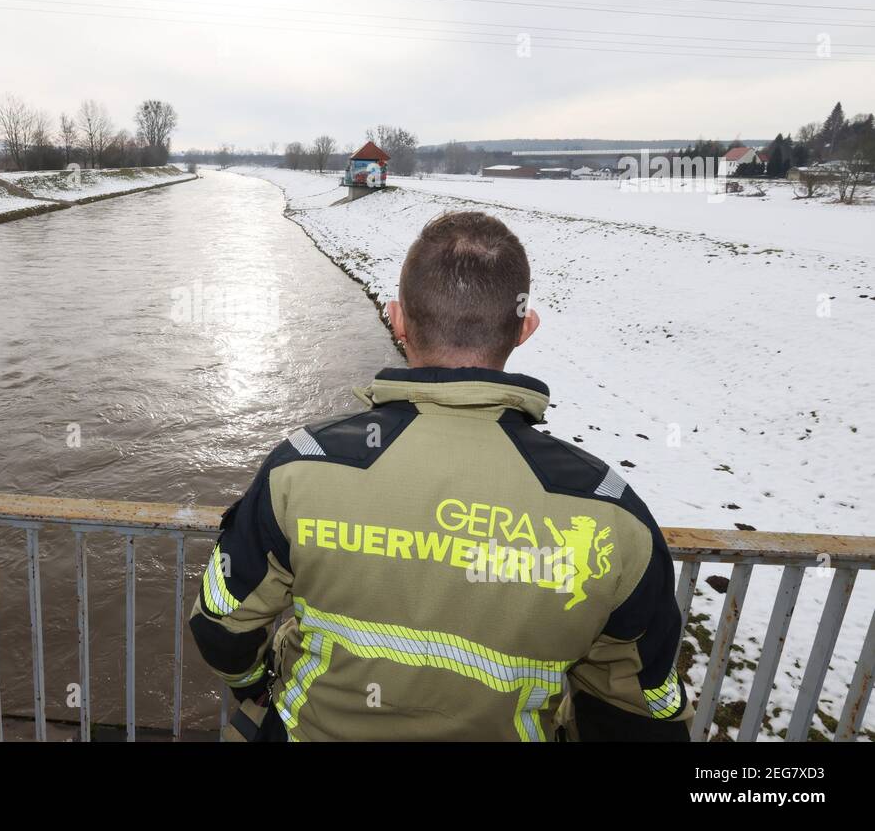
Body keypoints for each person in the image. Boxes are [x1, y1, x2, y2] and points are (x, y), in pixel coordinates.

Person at [190, 211, 691, 741]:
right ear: (525, 328)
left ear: (397, 319)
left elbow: (221, 625)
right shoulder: (612, 512)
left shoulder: (303, 466)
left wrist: (255, 683)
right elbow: (641, 705)